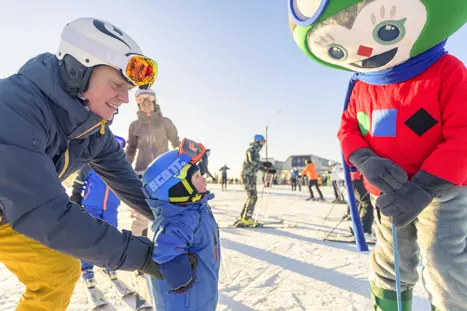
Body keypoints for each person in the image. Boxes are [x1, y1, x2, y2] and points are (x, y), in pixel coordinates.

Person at [289, 1, 467, 310]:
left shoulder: (446, 71)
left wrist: (424, 186)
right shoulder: (363, 86)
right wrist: (365, 160)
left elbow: (462, 135)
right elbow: (348, 130)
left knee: (444, 262)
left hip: (441, 194)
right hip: (386, 193)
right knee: (391, 263)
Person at [0, 17, 163, 311]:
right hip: (23, 207)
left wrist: (177, 215)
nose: (125, 98)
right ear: (78, 71)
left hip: (9, 210)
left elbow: (128, 183)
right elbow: (47, 215)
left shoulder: (91, 129)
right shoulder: (12, 108)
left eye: (128, 88)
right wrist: (146, 256)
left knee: (58, 271)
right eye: (117, 84)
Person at [141, 138, 220, 311]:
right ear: (176, 187)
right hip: (187, 304)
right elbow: (164, 249)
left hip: (202, 295)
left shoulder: (195, 208)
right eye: (197, 176)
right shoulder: (181, 219)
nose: (204, 179)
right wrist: (178, 273)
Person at [70, 135, 127, 288]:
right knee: (89, 237)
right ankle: (87, 269)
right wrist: (76, 195)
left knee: (110, 236)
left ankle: (109, 264)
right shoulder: (91, 163)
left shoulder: (121, 167)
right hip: (91, 206)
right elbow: (80, 180)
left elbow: (128, 186)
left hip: (111, 208)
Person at [126, 88, 181, 237]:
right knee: (142, 214)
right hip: (142, 172)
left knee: (165, 210)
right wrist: (125, 167)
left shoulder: (165, 123)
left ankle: (169, 245)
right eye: (140, 100)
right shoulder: (134, 126)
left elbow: (176, 143)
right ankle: (138, 245)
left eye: (148, 99)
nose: (145, 103)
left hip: (164, 171)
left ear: (155, 102)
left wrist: (186, 160)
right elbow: (131, 149)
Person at [237, 135, 273, 227]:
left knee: (251, 196)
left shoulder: (255, 152)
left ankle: (244, 217)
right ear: (257, 142)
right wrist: (264, 164)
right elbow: (253, 162)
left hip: (250, 176)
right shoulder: (251, 150)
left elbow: (257, 166)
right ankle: (247, 219)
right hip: (247, 176)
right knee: (253, 197)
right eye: (262, 142)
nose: (263, 144)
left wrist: (268, 170)